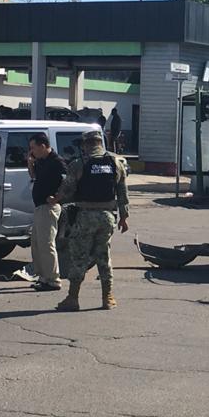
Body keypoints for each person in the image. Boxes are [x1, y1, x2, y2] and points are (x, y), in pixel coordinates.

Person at [48, 129, 129, 311]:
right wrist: (124, 217)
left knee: (78, 257)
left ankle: (73, 298)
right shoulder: (115, 162)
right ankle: (108, 298)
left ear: (85, 145)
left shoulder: (79, 164)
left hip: (85, 216)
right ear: (100, 143)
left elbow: (67, 188)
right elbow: (122, 192)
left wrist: (55, 199)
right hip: (107, 217)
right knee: (103, 256)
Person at [27, 133, 68, 292]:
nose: (32, 151)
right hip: (39, 206)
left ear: (43, 146)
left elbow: (67, 182)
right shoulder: (41, 161)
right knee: (37, 243)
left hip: (49, 207)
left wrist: (57, 197)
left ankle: (53, 279)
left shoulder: (57, 162)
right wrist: (30, 164)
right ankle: (43, 277)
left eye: (33, 148)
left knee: (46, 243)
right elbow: (34, 176)